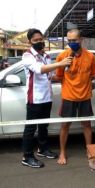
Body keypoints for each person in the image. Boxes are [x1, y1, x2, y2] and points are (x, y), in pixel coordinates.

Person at [21, 28, 71, 168]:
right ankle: (27, 156)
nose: (38, 42)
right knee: (30, 128)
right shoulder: (28, 56)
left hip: (47, 97)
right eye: (35, 40)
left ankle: (42, 149)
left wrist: (64, 77)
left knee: (44, 126)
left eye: (40, 39)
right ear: (30, 41)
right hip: (34, 98)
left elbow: (49, 76)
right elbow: (39, 70)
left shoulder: (46, 56)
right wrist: (61, 64)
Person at [54, 28, 95, 165]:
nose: (71, 43)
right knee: (65, 126)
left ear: (81, 40)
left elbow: (94, 75)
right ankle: (62, 152)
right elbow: (59, 77)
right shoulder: (62, 56)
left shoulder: (90, 56)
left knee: (87, 125)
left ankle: (89, 151)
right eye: (69, 41)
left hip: (85, 97)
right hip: (68, 97)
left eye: (74, 40)